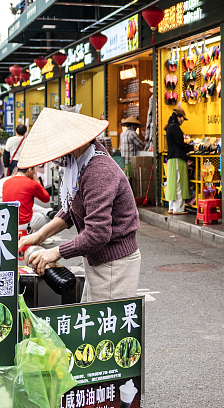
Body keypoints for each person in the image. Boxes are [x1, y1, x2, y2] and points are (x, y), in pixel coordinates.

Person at [15, 108, 141, 301]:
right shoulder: (81, 163)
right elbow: (70, 209)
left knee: (103, 319)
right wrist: (38, 236)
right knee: (92, 314)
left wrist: (56, 252)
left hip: (114, 264)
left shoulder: (97, 171)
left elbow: (98, 233)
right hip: (99, 259)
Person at [2, 163, 52, 234]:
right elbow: (46, 198)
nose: (34, 173)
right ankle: (35, 238)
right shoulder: (32, 183)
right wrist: (37, 181)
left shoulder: (6, 182)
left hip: (8, 222)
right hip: (24, 223)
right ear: (29, 170)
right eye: (34, 170)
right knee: (46, 218)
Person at [165, 108, 194, 214]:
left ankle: (172, 208)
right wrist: (192, 147)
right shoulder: (175, 127)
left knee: (172, 183)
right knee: (179, 183)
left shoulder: (169, 126)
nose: (183, 121)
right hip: (178, 158)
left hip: (171, 159)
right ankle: (179, 209)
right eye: (183, 119)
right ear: (178, 117)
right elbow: (180, 143)